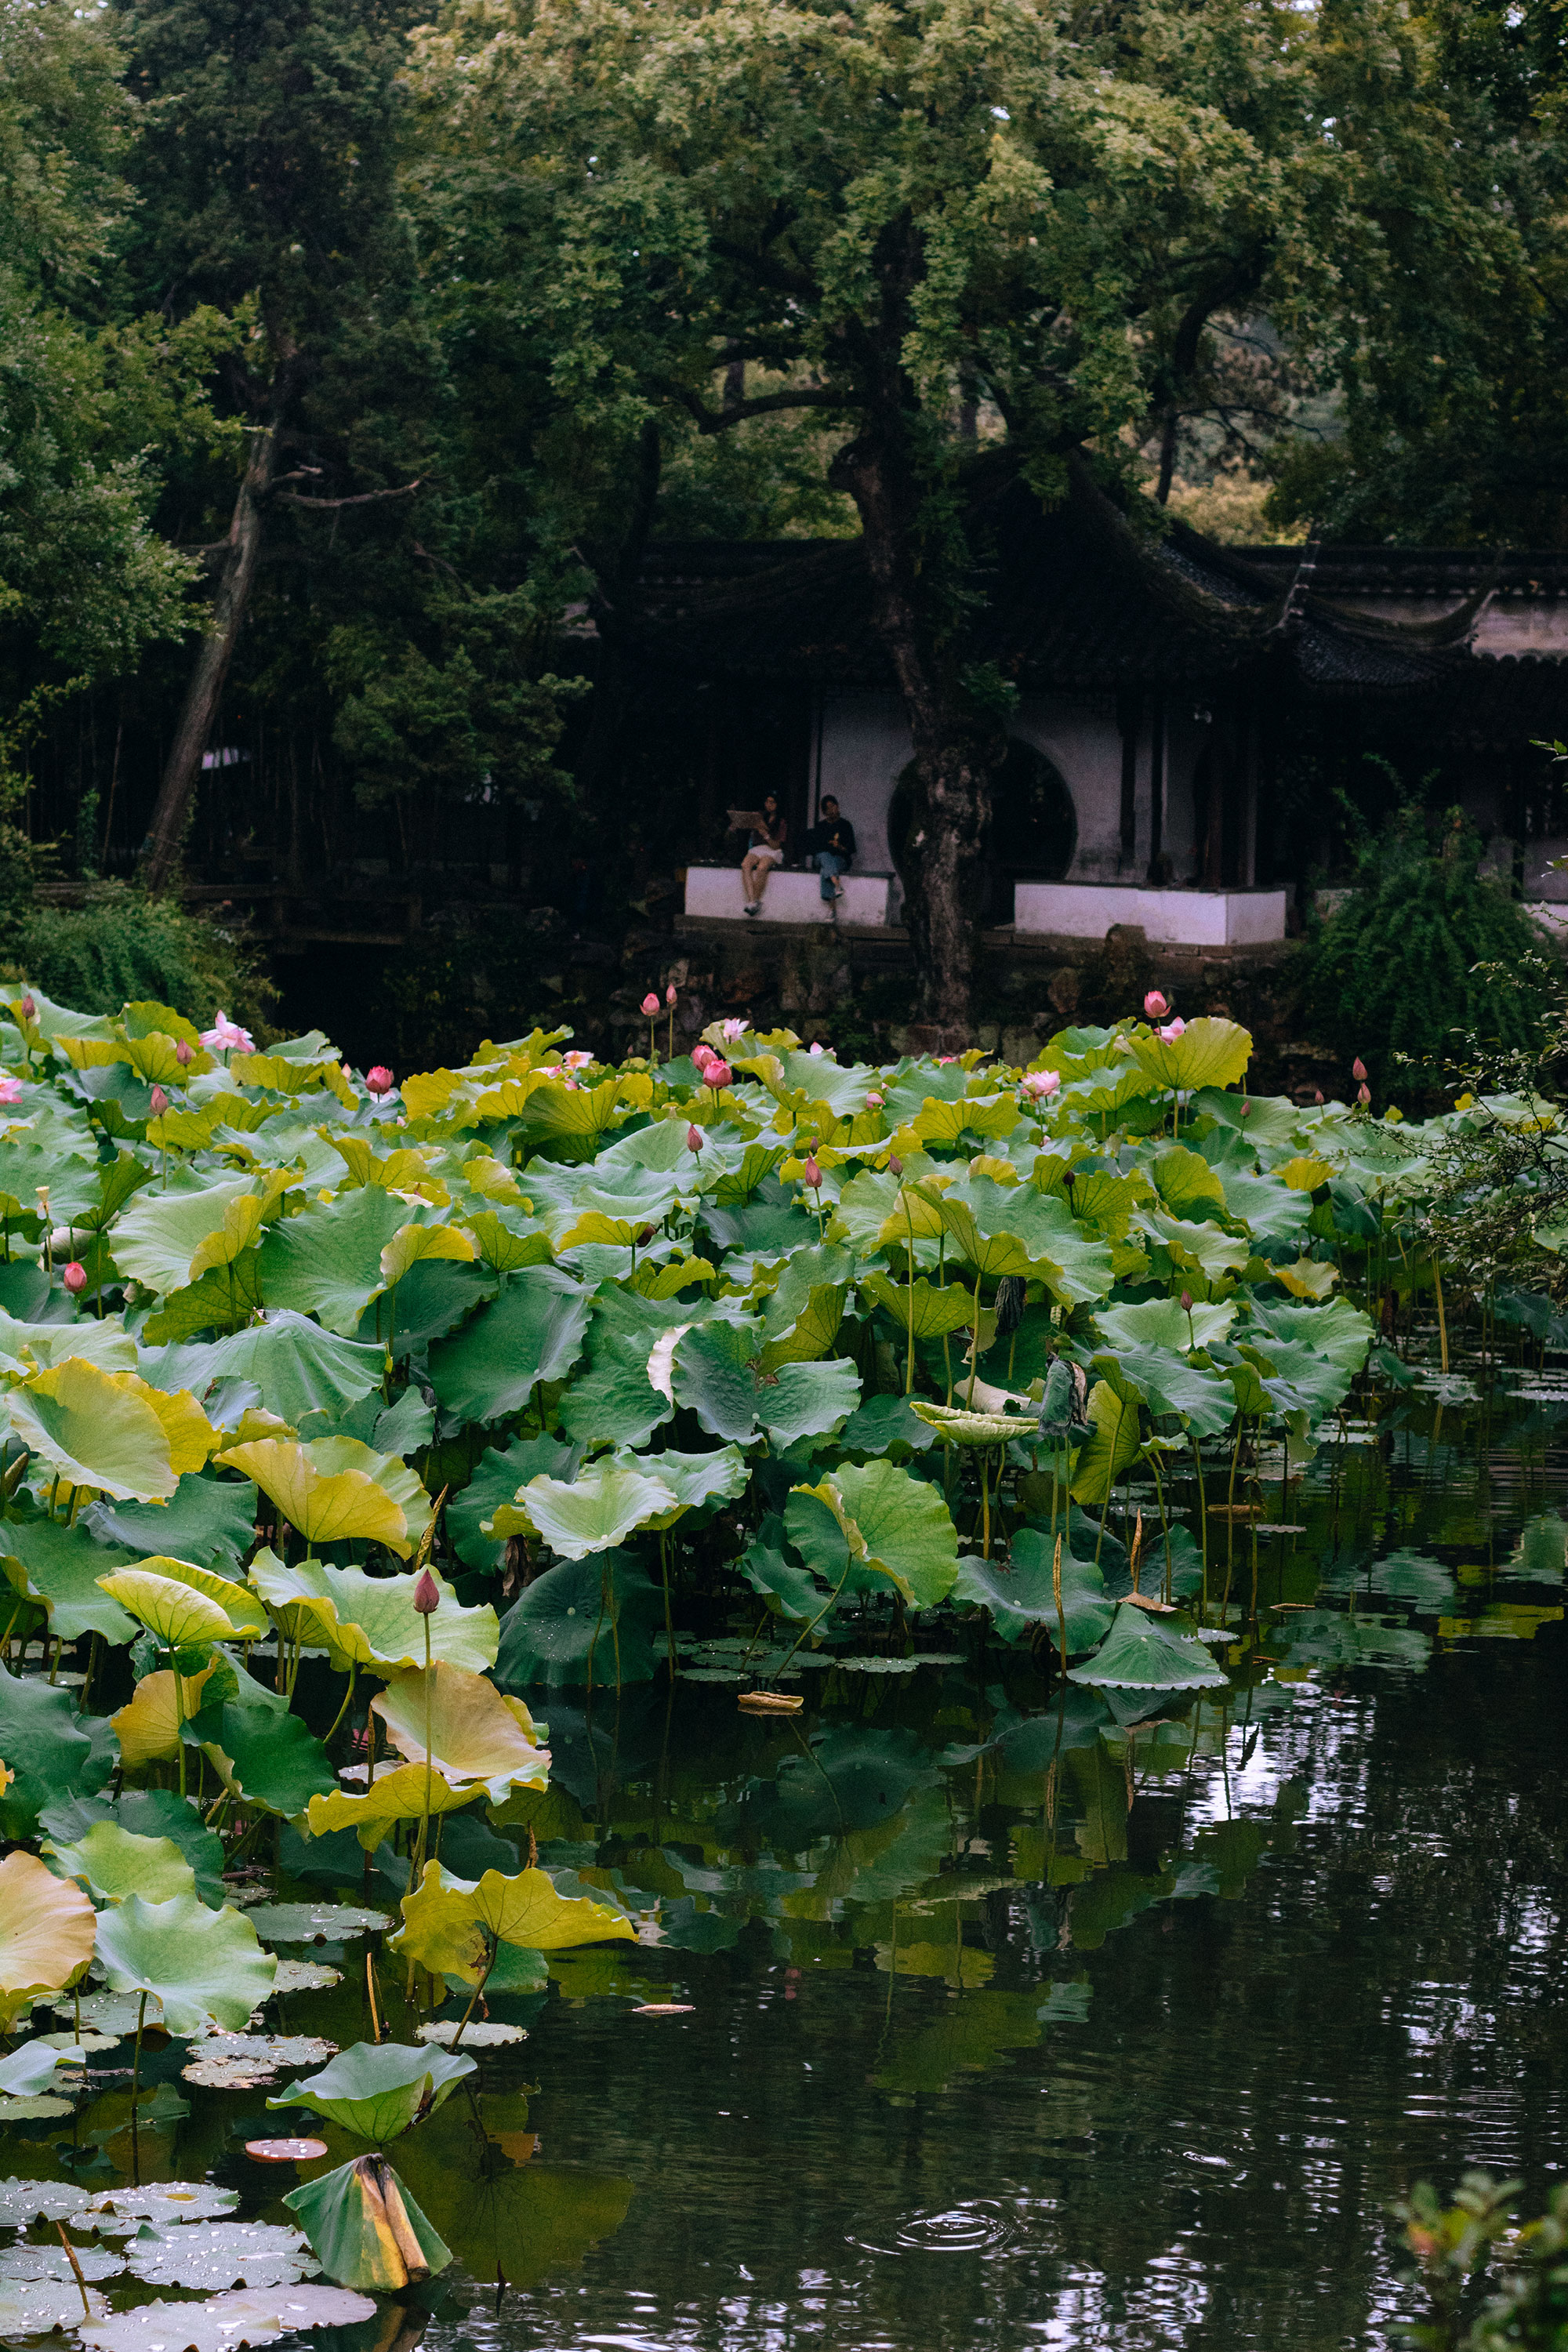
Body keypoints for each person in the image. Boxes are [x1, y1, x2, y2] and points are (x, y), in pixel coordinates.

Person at [740, 793, 787, 914]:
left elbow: (776, 845)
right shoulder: (760, 816)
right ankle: (752, 901)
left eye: (772, 802)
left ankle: (754, 901)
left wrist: (766, 835)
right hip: (758, 848)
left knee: (762, 868)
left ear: (777, 805)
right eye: (767, 802)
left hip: (772, 850)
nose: (769, 805)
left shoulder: (781, 821)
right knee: (745, 865)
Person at [805, 796, 857, 906]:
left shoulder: (845, 825)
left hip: (840, 859)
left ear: (837, 806)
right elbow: (815, 848)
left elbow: (851, 849)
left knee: (826, 869)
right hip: (821, 857)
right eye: (828, 808)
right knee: (824, 855)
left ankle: (832, 910)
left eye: (833, 806)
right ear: (824, 812)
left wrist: (839, 846)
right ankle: (837, 885)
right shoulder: (820, 826)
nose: (831, 810)